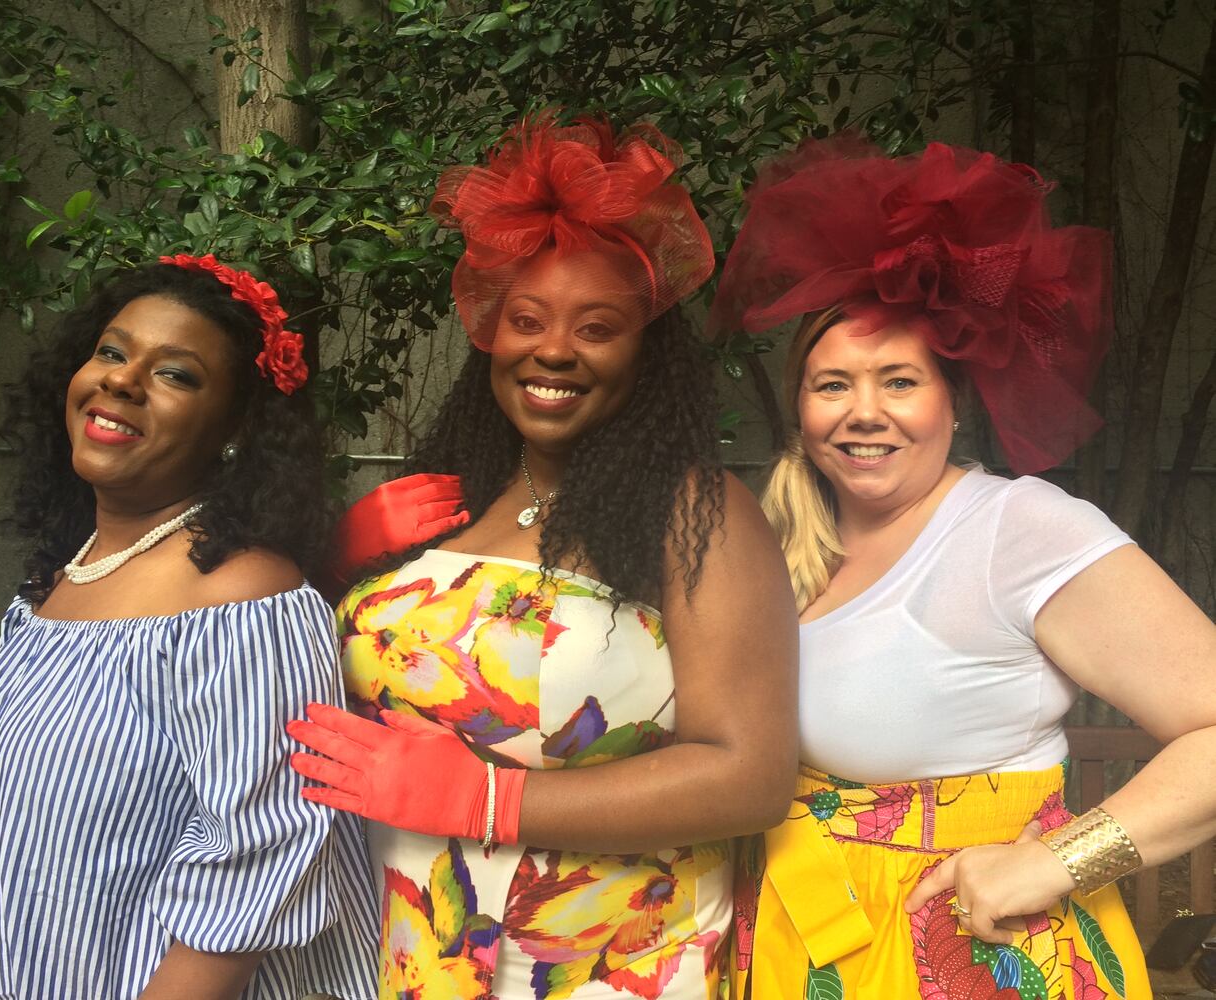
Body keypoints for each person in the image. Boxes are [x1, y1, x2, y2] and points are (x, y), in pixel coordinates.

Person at [287, 113, 801, 999]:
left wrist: (483, 800)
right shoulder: (450, 497)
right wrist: (333, 564)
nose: (553, 350)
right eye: (526, 320)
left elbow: (748, 776)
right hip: (406, 954)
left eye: (597, 327)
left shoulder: (697, 512)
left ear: (645, 353)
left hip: (598, 966)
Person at [708, 135, 1216, 1000]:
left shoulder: (1016, 528)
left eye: (898, 381)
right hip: (801, 942)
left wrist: (1059, 861)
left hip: (970, 956)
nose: (863, 412)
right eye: (831, 385)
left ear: (952, 403)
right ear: (800, 409)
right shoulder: (779, 544)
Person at [0, 257, 378, 1000]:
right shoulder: (59, 586)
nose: (122, 381)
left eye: (176, 375)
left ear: (236, 427)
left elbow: (254, 866)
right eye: (111, 351)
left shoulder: (240, 600)